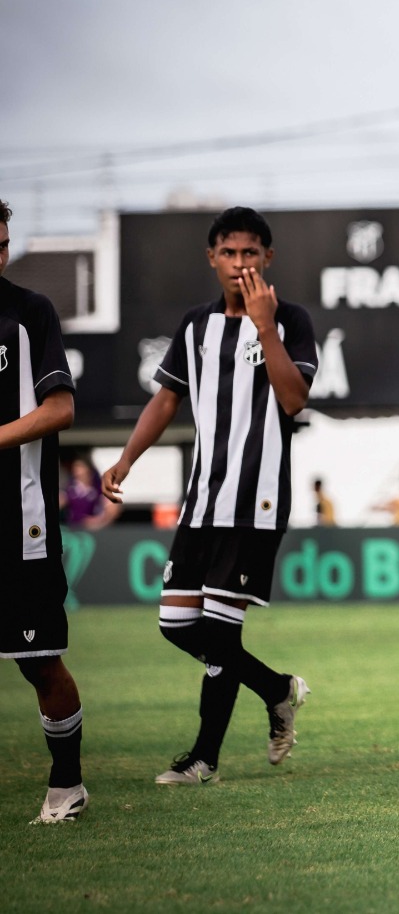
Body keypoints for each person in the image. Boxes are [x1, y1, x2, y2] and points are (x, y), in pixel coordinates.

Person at [103, 206, 316, 786]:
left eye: (251, 253)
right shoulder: (196, 325)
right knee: (177, 626)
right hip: (202, 502)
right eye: (230, 253)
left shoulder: (290, 319)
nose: (240, 263)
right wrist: (125, 459)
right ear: (212, 258)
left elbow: (294, 400)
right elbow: (167, 400)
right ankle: (277, 690)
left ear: (268, 258)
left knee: (221, 634)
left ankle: (204, 760)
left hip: (257, 503)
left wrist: (265, 325)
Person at [0, 200, 87, 824]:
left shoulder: (29, 313)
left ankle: (67, 784)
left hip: (20, 525)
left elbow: (60, 409)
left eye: (2, 243)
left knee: (39, 662)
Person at [61, 454, 118, 530]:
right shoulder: (70, 488)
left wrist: (99, 521)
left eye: (80, 467)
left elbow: (113, 508)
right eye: (75, 468)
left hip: (93, 530)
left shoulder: (98, 488)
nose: (77, 471)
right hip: (74, 529)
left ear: (88, 469)